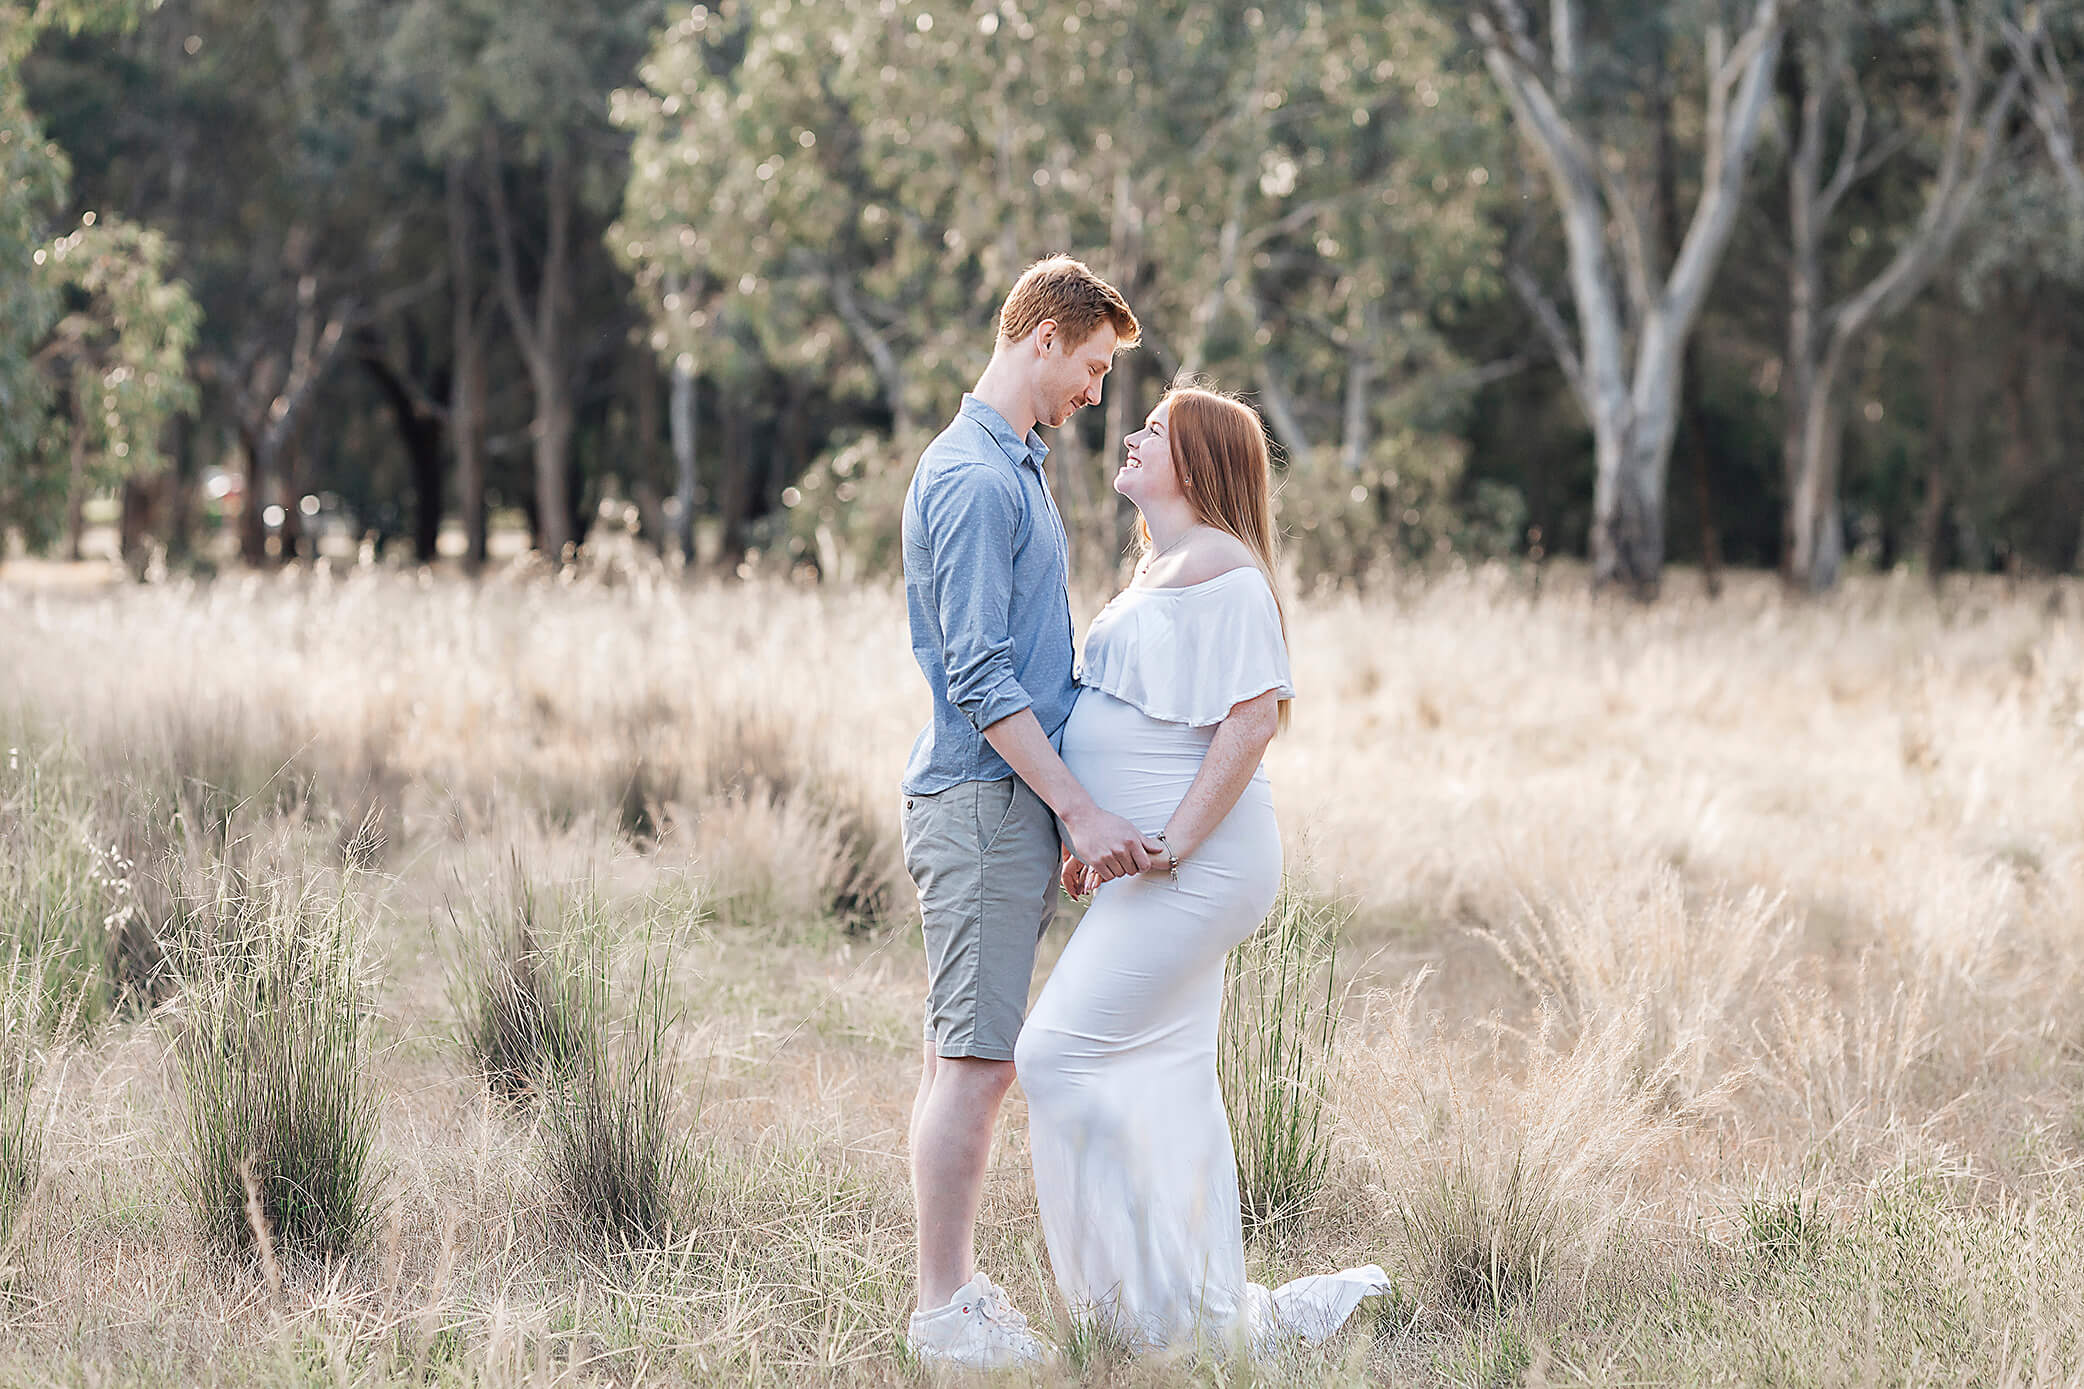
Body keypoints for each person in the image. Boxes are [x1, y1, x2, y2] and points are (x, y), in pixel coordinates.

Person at [1015, 385, 1390, 1353]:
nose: (1132, 438)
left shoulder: (1224, 569)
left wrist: (1170, 843)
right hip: (1154, 869)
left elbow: (1250, 719)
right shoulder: (1164, 567)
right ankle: (1182, 1317)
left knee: (1051, 1054)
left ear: (1195, 463)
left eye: (1153, 431)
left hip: (1199, 866)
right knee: (1166, 1074)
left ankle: (1139, 1302)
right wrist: (1100, 841)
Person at [898, 255, 1165, 1369]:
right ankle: (942, 1310)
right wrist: (1080, 811)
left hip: (1011, 807)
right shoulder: (969, 476)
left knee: (973, 1053)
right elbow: (978, 674)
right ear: (1044, 337)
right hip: (979, 800)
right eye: (1094, 367)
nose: (1097, 393)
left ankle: (951, 1296)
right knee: (975, 1058)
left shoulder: (1016, 467)